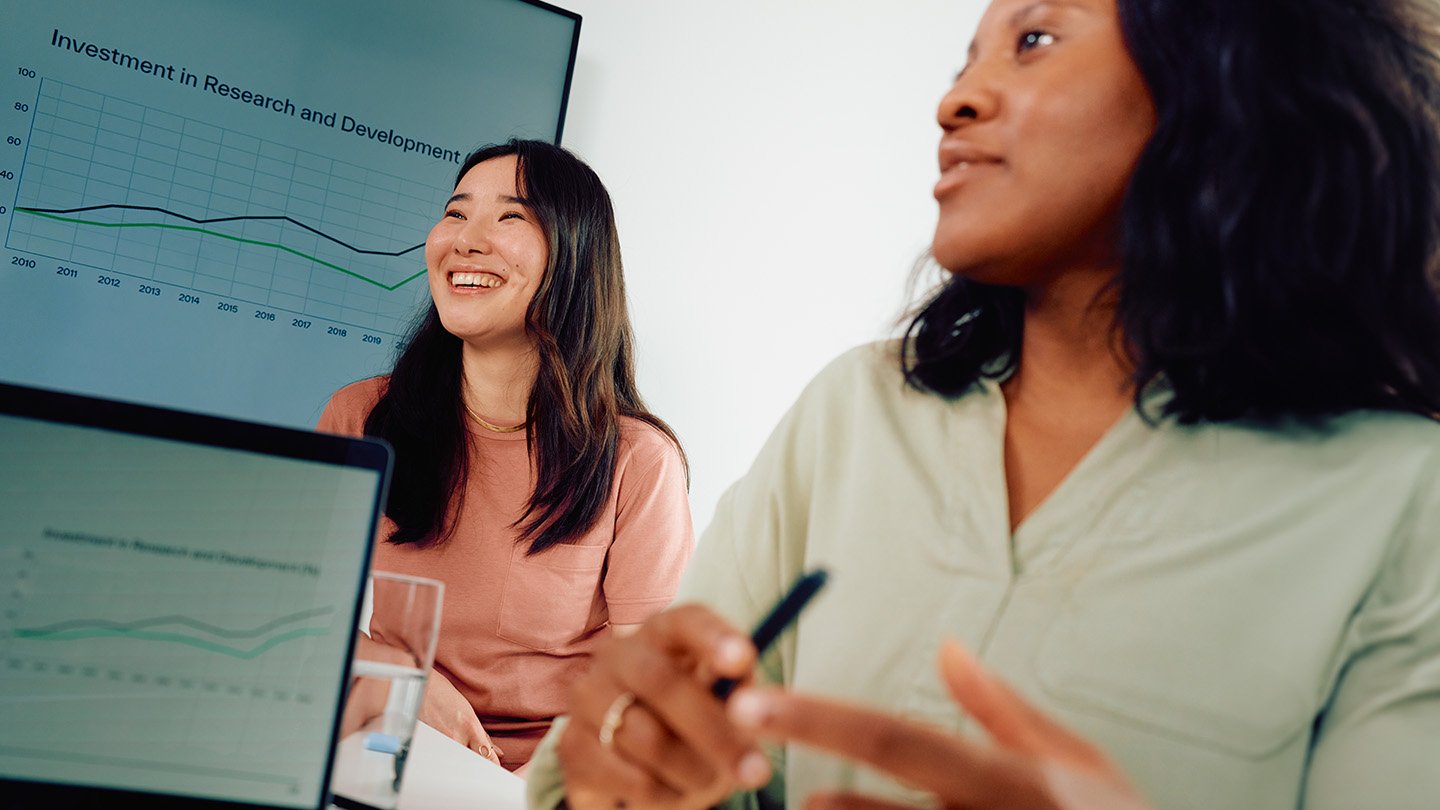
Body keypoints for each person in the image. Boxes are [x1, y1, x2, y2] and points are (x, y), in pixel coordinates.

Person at [524, 0, 1440, 806]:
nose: (953, 102)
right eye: (963, 60)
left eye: (1033, 39)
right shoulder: (856, 410)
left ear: (1227, 83)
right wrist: (625, 767)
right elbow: (672, 765)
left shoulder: (1404, 504)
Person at [318, 139, 693, 772]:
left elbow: (644, 695)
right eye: (456, 212)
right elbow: (296, 614)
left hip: (546, 782)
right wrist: (400, 675)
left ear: (573, 255)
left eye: (510, 217)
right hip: (383, 746)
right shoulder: (361, 416)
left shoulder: (639, 461)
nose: (465, 239)